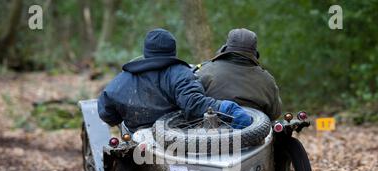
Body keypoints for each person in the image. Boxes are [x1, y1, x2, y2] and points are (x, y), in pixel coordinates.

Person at [98, 28, 251, 132]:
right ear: (173, 50)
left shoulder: (121, 81)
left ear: (146, 51)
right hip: (176, 142)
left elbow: (106, 112)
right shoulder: (179, 73)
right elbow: (194, 104)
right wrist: (227, 108)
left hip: (137, 140)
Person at [196, 28, 282, 120]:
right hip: (255, 132)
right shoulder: (267, 80)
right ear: (255, 53)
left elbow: (194, 104)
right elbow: (275, 113)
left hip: (211, 131)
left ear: (224, 48)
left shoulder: (205, 71)